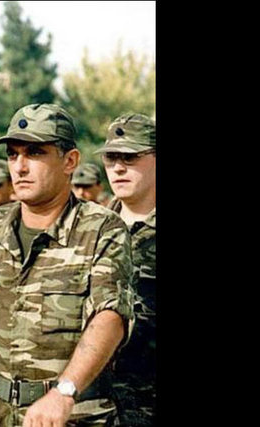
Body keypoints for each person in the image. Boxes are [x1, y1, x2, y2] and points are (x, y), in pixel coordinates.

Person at [0, 103, 135, 426]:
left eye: (35, 153)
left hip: (70, 414)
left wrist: (63, 392)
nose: (19, 167)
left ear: (70, 161)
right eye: (12, 154)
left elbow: (110, 317)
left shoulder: (101, 228)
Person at [95, 113, 156, 426]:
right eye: (111, 157)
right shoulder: (89, 229)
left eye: (130, 157)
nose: (117, 168)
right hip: (93, 406)